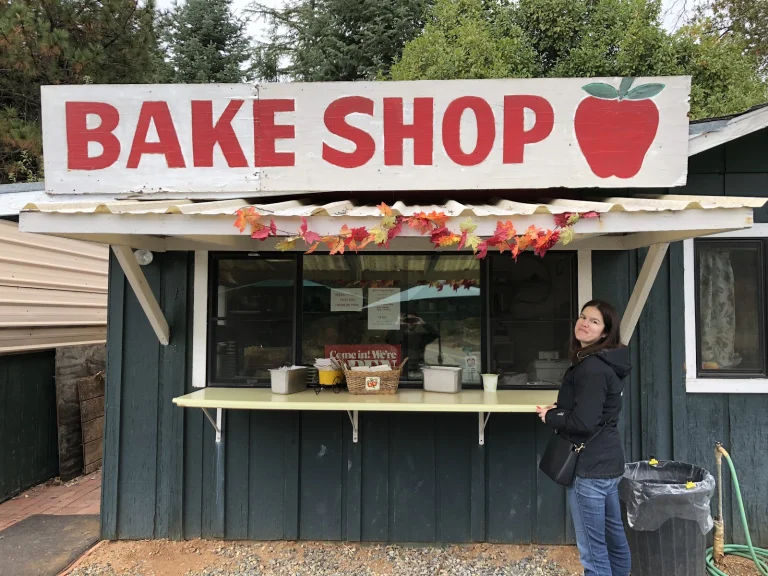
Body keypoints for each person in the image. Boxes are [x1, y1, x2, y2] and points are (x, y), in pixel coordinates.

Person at [536, 300, 631, 576]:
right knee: (615, 540)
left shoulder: (592, 368)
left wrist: (549, 417)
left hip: (589, 469)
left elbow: (583, 422)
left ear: (605, 333)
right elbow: (596, 412)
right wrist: (561, 410)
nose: (584, 323)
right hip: (609, 464)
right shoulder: (608, 363)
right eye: (582, 316)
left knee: (593, 550)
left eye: (594, 321)